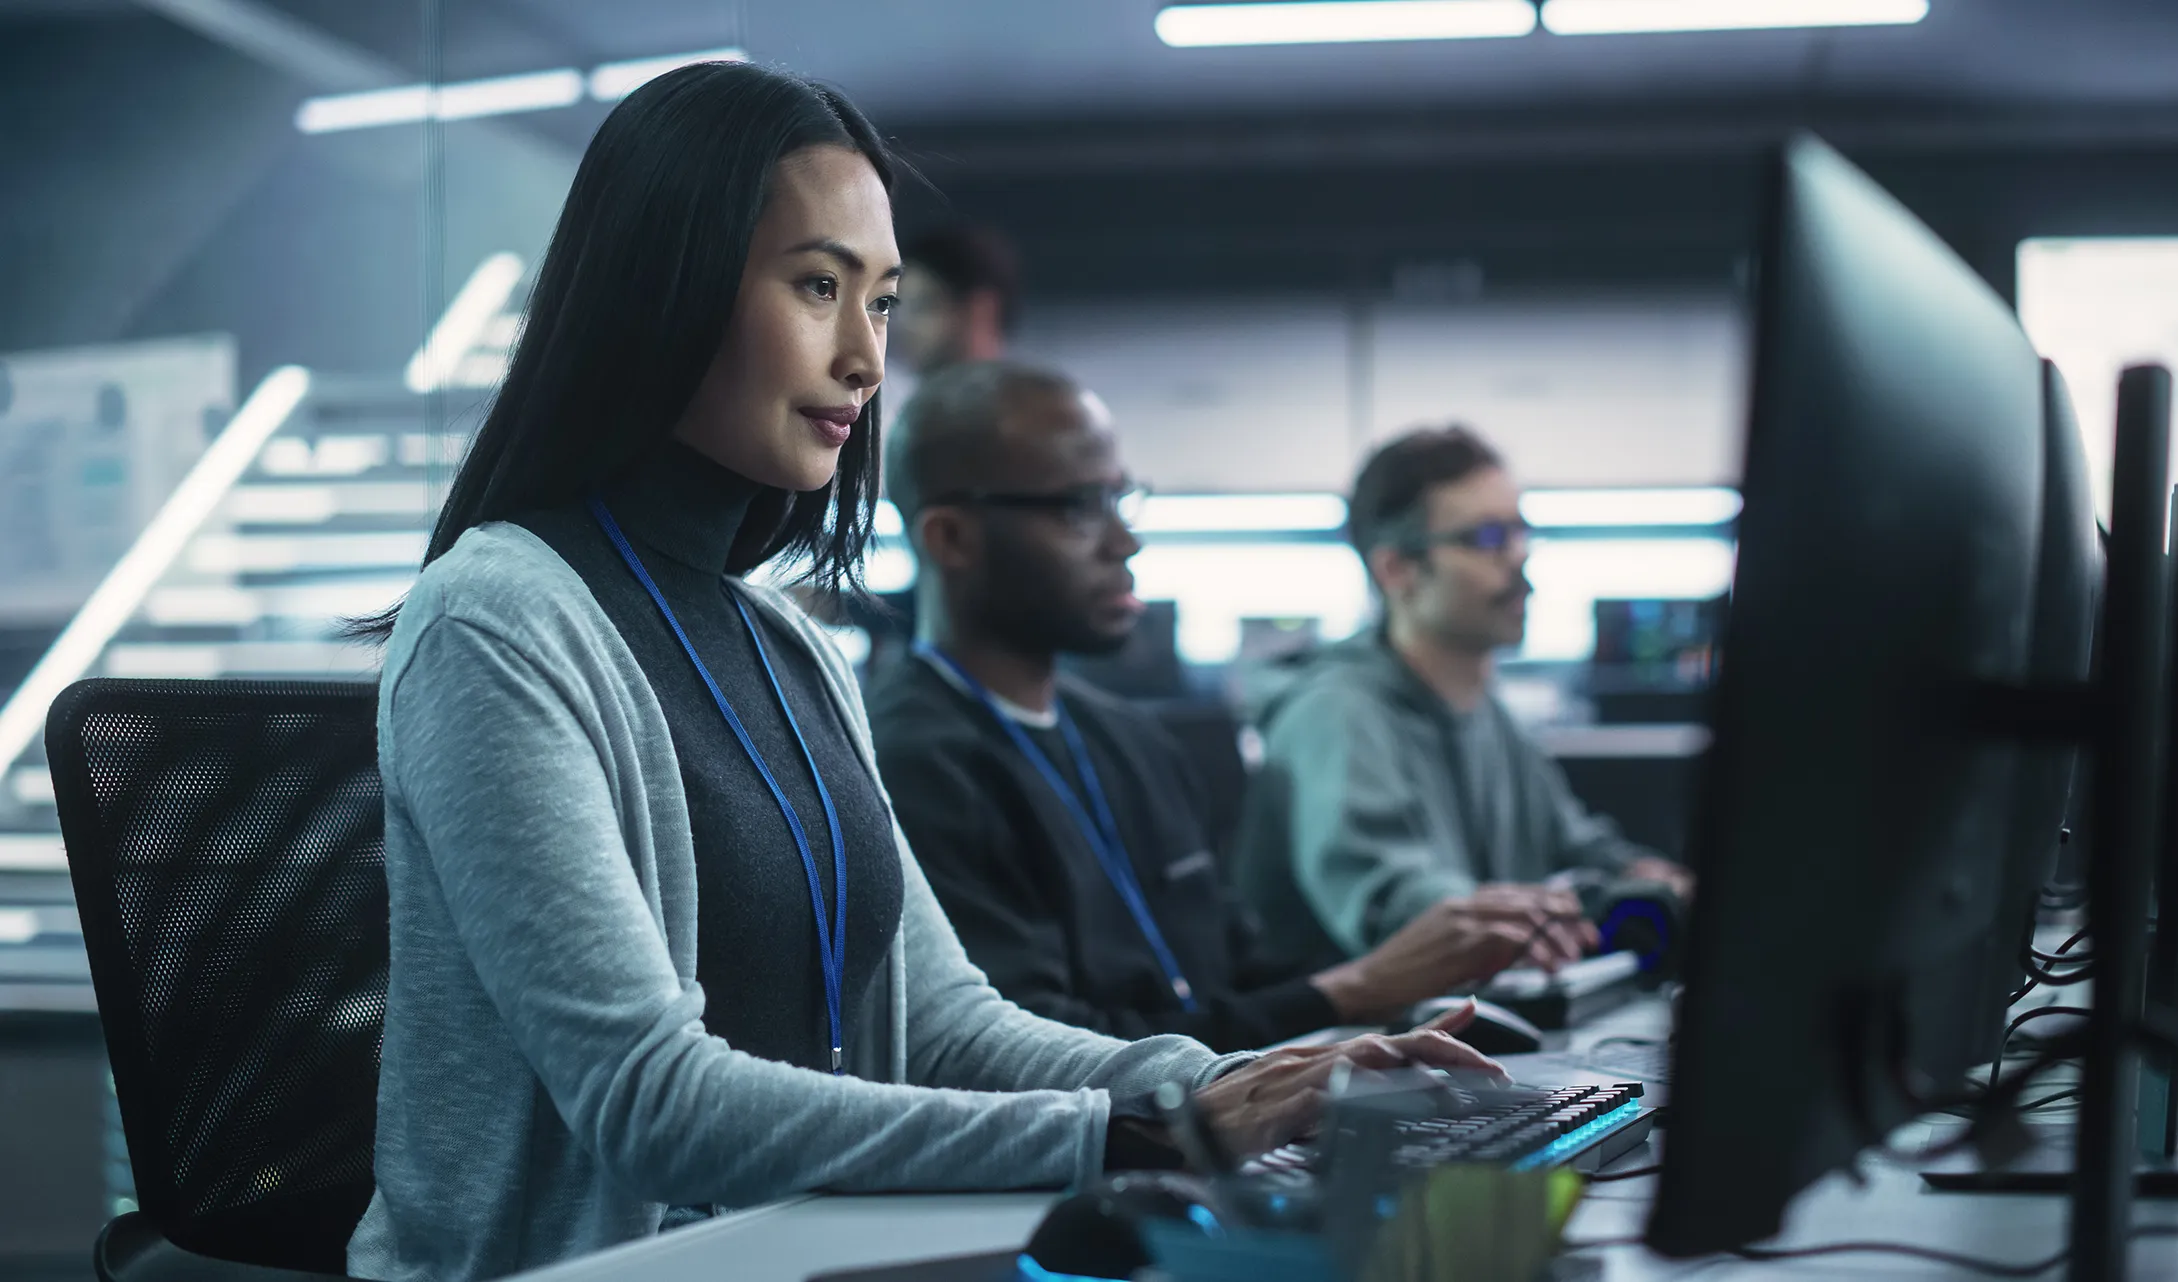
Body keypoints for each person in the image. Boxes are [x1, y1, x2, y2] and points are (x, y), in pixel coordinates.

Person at [345, 65, 1494, 1282]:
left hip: (810, 1249)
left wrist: (1225, 1083)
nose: (864, 359)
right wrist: (1154, 1130)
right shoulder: (496, 620)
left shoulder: (790, 646)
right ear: (664, 286)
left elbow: (947, 1025)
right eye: (817, 285)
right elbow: (650, 1101)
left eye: (883, 303)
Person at [867, 364, 1577, 1054]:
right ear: (951, 538)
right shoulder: (908, 763)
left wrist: (1404, 1002)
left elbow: (1237, 974)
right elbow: (1034, 1053)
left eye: (1122, 498)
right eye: (1080, 508)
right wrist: (1355, 989)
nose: (1125, 540)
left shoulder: (1131, 740)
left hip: (1221, 1130)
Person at [1236, 425, 1694, 975]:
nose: (1520, 558)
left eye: (1521, 532)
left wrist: (1650, 878)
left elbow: (1576, 846)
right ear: (1397, 571)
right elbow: (1402, 911)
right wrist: (1554, 916)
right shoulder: (1336, 713)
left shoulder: (1489, 713)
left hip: (1464, 1029)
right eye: (1486, 539)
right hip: (1350, 1046)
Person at [891, 223, 1020, 375]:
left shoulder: (1034, 397)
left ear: (979, 310)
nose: (904, 325)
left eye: (922, 306)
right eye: (899, 308)